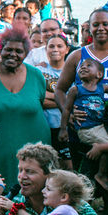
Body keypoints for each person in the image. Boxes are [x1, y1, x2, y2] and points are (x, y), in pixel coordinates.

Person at [0, 29, 50, 187]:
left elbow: (39, 101)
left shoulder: (36, 76)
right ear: (0, 49)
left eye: (19, 51)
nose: (13, 54)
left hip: (32, 150)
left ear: (26, 53)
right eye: (8, 49)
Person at [56, 10, 108, 112]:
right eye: (95, 25)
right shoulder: (77, 56)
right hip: (84, 123)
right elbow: (60, 90)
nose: (101, 28)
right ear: (90, 28)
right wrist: (68, 112)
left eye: (105, 24)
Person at [58, 59, 108, 177]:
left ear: (99, 74)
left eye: (89, 66)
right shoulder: (76, 89)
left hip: (99, 126)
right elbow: (67, 109)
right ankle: (101, 175)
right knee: (107, 146)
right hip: (85, 128)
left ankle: (93, 164)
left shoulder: (101, 88)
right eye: (82, 66)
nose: (83, 67)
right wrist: (63, 129)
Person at [40, 34, 71, 164]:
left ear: (67, 49)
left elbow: (74, 99)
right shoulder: (39, 70)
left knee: (67, 166)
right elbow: (39, 99)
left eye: (59, 46)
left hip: (65, 126)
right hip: (44, 127)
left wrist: (50, 97)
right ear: (46, 49)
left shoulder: (73, 71)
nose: (55, 49)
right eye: (51, 46)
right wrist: (63, 99)